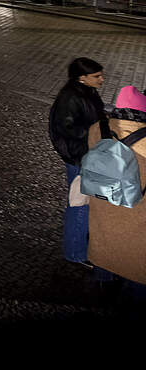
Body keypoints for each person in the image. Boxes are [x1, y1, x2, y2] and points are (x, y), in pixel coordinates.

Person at [86, 84, 146, 297]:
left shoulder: (97, 129)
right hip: (136, 211)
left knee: (105, 243)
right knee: (136, 259)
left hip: (104, 201)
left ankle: (102, 284)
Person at [48, 58, 107, 267]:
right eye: (97, 76)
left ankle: (80, 247)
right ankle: (75, 252)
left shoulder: (86, 91)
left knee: (85, 203)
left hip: (88, 154)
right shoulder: (71, 97)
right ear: (82, 77)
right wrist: (96, 135)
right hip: (80, 157)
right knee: (79, 204)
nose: (102, 79)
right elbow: (68, 128)